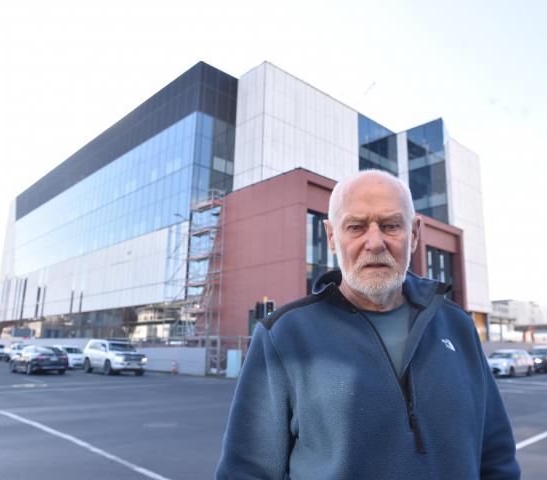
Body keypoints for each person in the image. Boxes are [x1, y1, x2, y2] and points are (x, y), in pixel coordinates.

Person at [216, 169, 520, 479]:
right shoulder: (283, 337)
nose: (374, 243)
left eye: (390, 225)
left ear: (414, 234)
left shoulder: (457, 326)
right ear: (332, 236)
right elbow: (245, 472)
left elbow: (496, 455)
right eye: (356, 227)